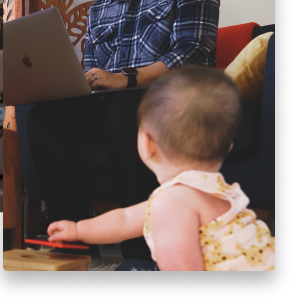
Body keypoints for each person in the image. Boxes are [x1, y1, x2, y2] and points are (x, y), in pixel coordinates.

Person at [24, 0, 220, 261]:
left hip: (170, 103)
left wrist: (124, 80)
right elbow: (94, 70)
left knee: (121, 109)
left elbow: (193, 54)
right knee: (43, 119)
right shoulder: (100, 7)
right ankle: (76, 246)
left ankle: (138, 256)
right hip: (109, 103)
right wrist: (77, 83)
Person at [47, 67, 275, 271]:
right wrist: (78, 230)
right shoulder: (215, 190)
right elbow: (125, 220)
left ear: (147, 144)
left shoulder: (171, 203)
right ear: (227, 149)